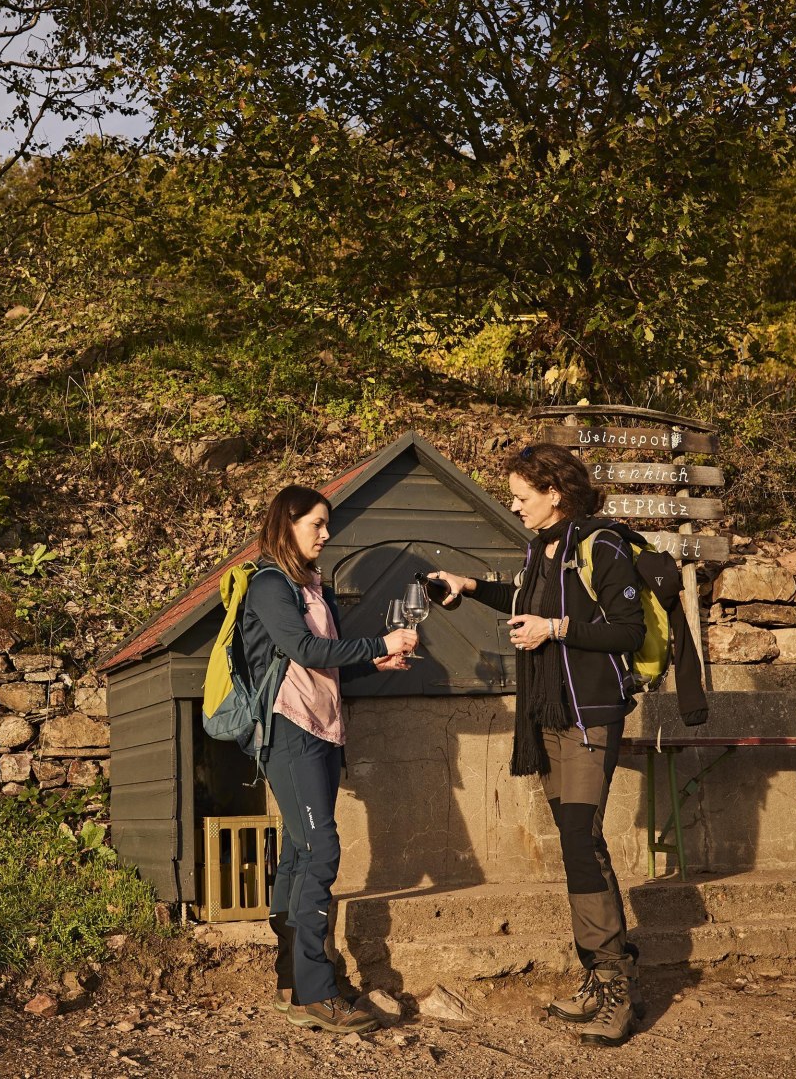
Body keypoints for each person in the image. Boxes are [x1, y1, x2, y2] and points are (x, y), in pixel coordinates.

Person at [427, 442, 646, 1047]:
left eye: (522, 496)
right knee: (577, 842)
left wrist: (555, 629)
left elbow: (629, 630)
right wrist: (468, 585)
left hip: (588, 715)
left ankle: (615, 987)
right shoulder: (542, 550)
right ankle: (598, 974)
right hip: (548, 714)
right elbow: (524, 598)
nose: (515, 505)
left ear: (555, 492)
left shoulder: (600, 546)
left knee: (581, 839)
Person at [242, 484, 417, 1034]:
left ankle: (291, 982)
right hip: (289, 731)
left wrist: (374, 663)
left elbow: (326, 665)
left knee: (299, 851)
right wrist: (378, 643)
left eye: (326, 524)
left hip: (321, 729)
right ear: (286, 524)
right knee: (322, 850)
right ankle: (315, 993)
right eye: (316, 524)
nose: (325, 534)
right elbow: (305, 651)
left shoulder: (311, 587)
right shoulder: (270, 583)